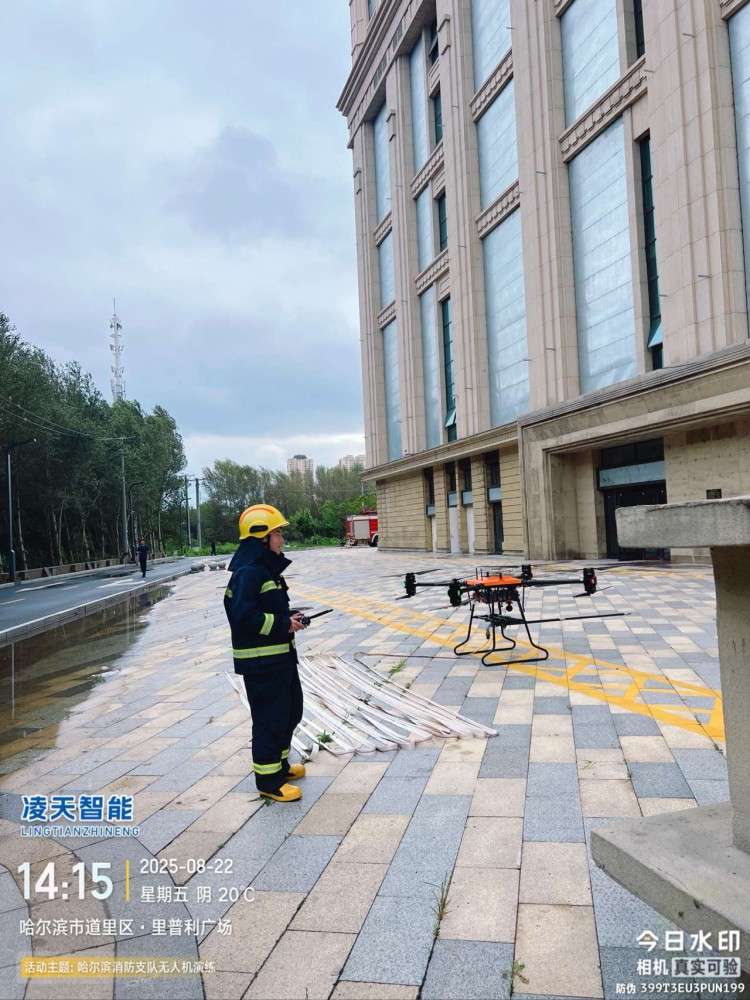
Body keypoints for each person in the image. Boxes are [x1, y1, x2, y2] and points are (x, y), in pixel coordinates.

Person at [224, 504, 308, 802]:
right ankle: (269, 781)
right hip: (262, 663)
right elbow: (242, 616)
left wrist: (290, 618)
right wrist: (283, 624)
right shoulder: (249, 573)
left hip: (279, 658)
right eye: (277, 533)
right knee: (270, 719)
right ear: (261, 538)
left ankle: (280, 767)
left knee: (290, 711)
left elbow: (267, 608)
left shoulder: (264, 570)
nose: (282, 539)